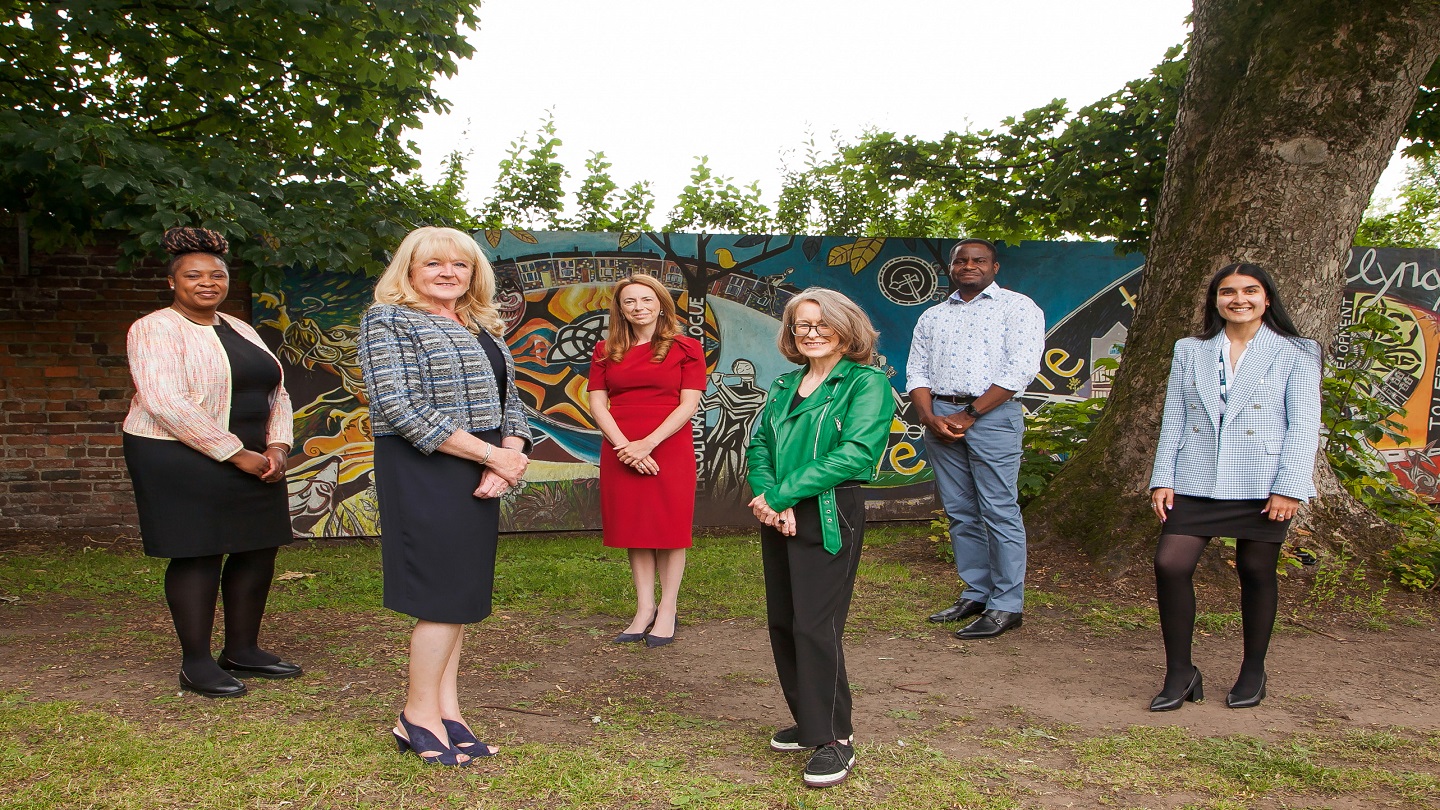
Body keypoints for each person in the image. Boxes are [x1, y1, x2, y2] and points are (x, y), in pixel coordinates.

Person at [358, 226, 531, 765]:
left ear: (474, 273)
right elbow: (398, 405)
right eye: (433, 263)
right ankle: (416, 716)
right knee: (439, 594)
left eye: (460, 264)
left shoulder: (480, 323)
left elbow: (511, 400)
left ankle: (448, 713)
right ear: (409, 270)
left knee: (460, 595)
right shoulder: (388, 320)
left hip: (482, 465)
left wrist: (509, 456)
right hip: (424, 466)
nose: (448, 273)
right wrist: (490, 456)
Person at [122, 226, 302, 699]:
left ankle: (242, 649)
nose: (207, 282)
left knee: (257, 548)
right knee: (197, 550)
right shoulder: (154, 328)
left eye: (216, 275)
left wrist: (278, 446)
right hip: (176, 453)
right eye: (193, 275)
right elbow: (164, 400)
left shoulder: (241, 328)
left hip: (256, 455)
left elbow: (278, 391)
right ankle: (196, 663)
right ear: (172, 281)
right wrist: (234, 453)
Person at [1148, 263, 1321, 711]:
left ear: (1267, 298)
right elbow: (1175, 416)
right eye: (1227, 291)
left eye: (1249, 290)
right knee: (1170, 563)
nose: (1238, 299)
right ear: (1215, 299)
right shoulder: (1190, 349)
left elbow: (1304, 425)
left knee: (1256, 570)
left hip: (1263, 480)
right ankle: (1180, 672)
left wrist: (1290, 486)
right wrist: (1162, 477)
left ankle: (1253, 670)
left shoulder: (1297, 351)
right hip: (1196, 474)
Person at [746, 289, 895, 789]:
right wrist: (771, 497)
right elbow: (760, 444)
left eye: (821, 324)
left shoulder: (866, 382)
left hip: (830, 511)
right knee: (785, 622)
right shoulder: (785, 384)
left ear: (846, 329)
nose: (810, 333)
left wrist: (782, 494)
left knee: (815, 624)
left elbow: (857, 453)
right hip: (780, 510)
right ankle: (810, 720)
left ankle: (835, 738)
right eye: (801, 325)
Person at [910, 239, 1044, 639]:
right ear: (951, 267)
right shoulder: (933, 316)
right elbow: (917, 370)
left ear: (994, 267)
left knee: (999, 510)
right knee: (960, 512)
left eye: (979, 260)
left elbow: (1020, 369)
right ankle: (977, 593)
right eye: (961, 260)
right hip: (940, 417)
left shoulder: (1018, 308)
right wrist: (929, 417)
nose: (969, 266)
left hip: (992, 417)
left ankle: (1007, 605)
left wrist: (968, 415)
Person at [587, 275, 705, 647]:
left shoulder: (687, 347)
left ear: (661, 304)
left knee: (669, 528)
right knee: (634, 528)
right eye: (630, 301)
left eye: (646, 299)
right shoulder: (605, 350)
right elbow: (597, 403)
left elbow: (688, 404)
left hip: (668, 445)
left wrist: (648, 444)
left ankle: (667, 608)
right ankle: (644, 608)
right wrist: (625, 447)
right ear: (620, 309)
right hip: (620, 445)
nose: (639, 307)